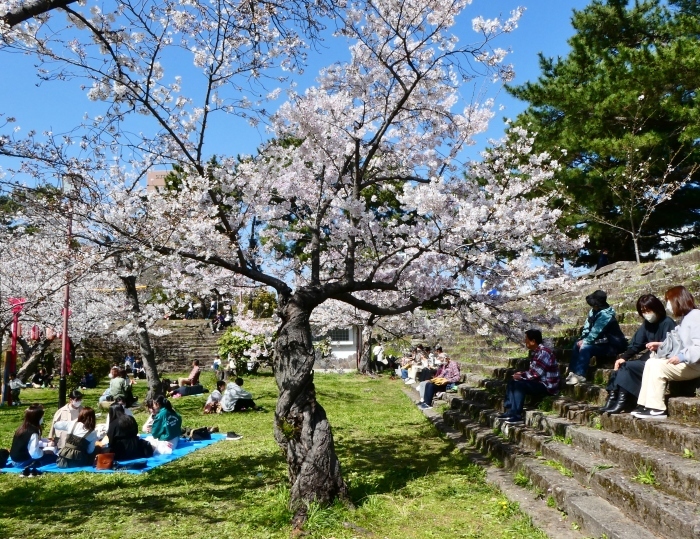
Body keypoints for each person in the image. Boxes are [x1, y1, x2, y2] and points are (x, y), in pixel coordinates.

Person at [633, 286, 700, 420]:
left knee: (657, 366)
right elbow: (680, 342)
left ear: (677, 300)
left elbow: (698, 346)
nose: (668, 305)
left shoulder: (696, 316)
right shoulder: (686, 317)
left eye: (668, 300)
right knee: (651, 362)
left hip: (695, 364)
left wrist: (681, 356)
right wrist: (661, 344)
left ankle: (657, 408)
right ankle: (645, 404)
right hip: (688, 362)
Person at [601, 294, 676, 414]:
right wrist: (623, 358)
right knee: (621, 364)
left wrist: (659, 344)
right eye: (643, 311)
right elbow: (636, 344)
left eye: (648, 310)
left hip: (660, 360)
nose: (646, 313)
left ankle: (622, 401)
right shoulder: (647, 324)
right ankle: (612, 399)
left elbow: (673, 345)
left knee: (627, 367)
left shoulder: (668, 322)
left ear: (656, 308)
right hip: (650, 357)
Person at [566, 290, 628, 385]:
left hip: (612, 344)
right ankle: (572, 371)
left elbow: (596, 331)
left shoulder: (606, 315)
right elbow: (587, 327)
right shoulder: (593, 311)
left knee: (586, 348)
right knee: (577, 344)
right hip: (600, 341)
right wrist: (583, 338)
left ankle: (580, 374)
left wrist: (586, 341)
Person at [497, 330, 560, 423]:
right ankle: (510, 410)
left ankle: (517, 415)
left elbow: (536, 373)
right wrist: (521, 374)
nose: (524, 341)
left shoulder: (543, 353)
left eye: (526, 339)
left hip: (547, 385)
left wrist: (522, 376)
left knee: (519, 385)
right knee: (512, 382)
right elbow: (533, 372)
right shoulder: (536, 352)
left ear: (533, 341)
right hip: (539, 381)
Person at [10, 404, 57, 468]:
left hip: (15, 460)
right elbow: (35, 453)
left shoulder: (22, 428)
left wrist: (46, 442)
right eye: (42, 417)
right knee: (53, 457)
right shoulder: (33, 432)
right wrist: (45, 452)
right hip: (22, 462)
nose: (42, 419)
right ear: (37, 418)